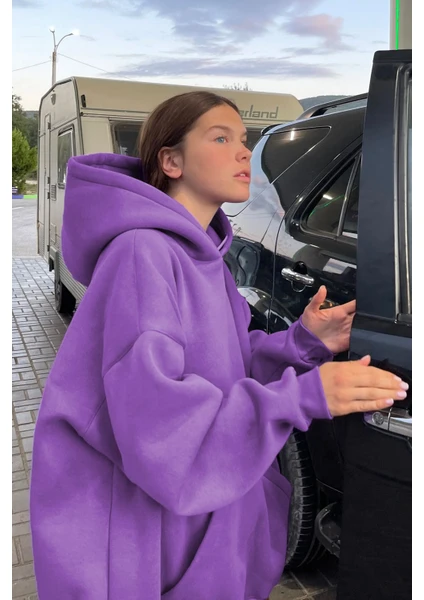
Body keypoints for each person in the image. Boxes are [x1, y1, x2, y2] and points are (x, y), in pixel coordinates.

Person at [29, 91, 408, 600]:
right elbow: (162, 429)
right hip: (143, 551)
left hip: (185, 535)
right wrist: (304, 395)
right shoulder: (142, 254)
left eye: (244, 139)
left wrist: (303, 342)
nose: (244, 152)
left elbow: (229, 363)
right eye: (221, 138)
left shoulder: (202, 254)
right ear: (171, 161)